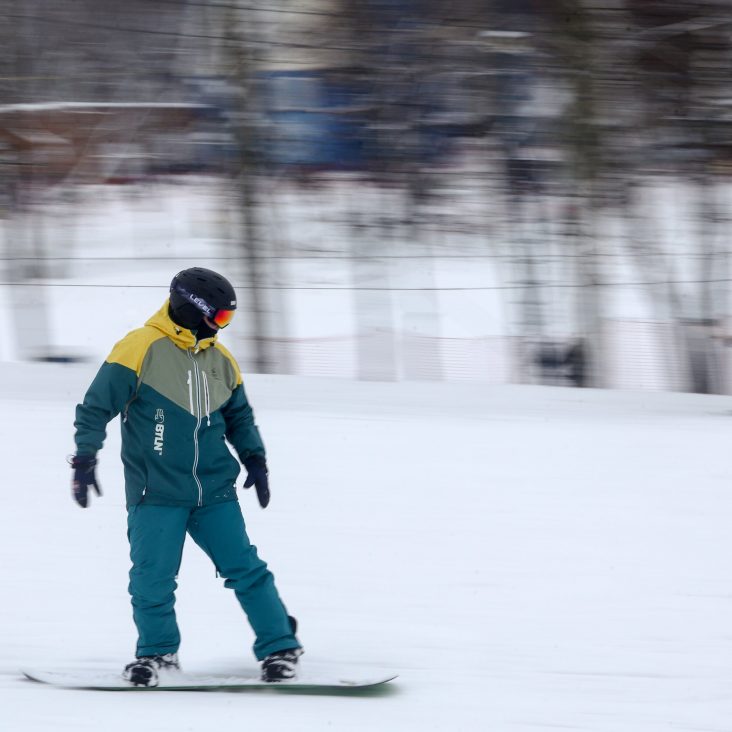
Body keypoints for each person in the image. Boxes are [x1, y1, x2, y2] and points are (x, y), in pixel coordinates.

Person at [70, 267, 302, 687]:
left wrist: (255, 459)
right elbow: (95, 406)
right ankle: (157, 655)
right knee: (151, 579)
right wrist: (85, 457)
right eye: (219, 318)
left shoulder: (220, 359)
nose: (221, 327)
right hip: (155, 491)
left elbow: (239, 416)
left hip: (213, 490)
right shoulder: (141, 347)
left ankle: (281, 647)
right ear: (192, 310)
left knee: (246, 569)